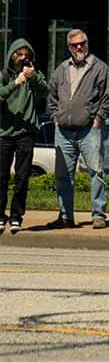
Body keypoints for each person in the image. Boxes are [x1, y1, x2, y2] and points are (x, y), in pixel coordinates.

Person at [46, 29, 109, 229]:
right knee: (63, 174)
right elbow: (51, 96)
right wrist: (55, 117)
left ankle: (98, 215)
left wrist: (99, 118)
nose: (79, 47)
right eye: (75, 45)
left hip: (89, 129)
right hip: (63, 130)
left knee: (96, 171)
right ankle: (66, 216)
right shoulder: (61, 69)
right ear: (69, 47)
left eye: (82, 43)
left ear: (87, 43)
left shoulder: (100, 67)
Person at [1, 39, 48, 235]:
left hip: (26, 133)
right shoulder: (4, 76)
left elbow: (46, 92)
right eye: (19, 54)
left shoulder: (34, 76)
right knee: (2, 176)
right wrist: (15, 83)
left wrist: (33, 78)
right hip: (4, 133)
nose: (23, 58)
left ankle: (16, 216)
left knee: (22, 177)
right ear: (12, 56)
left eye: (26, 55)